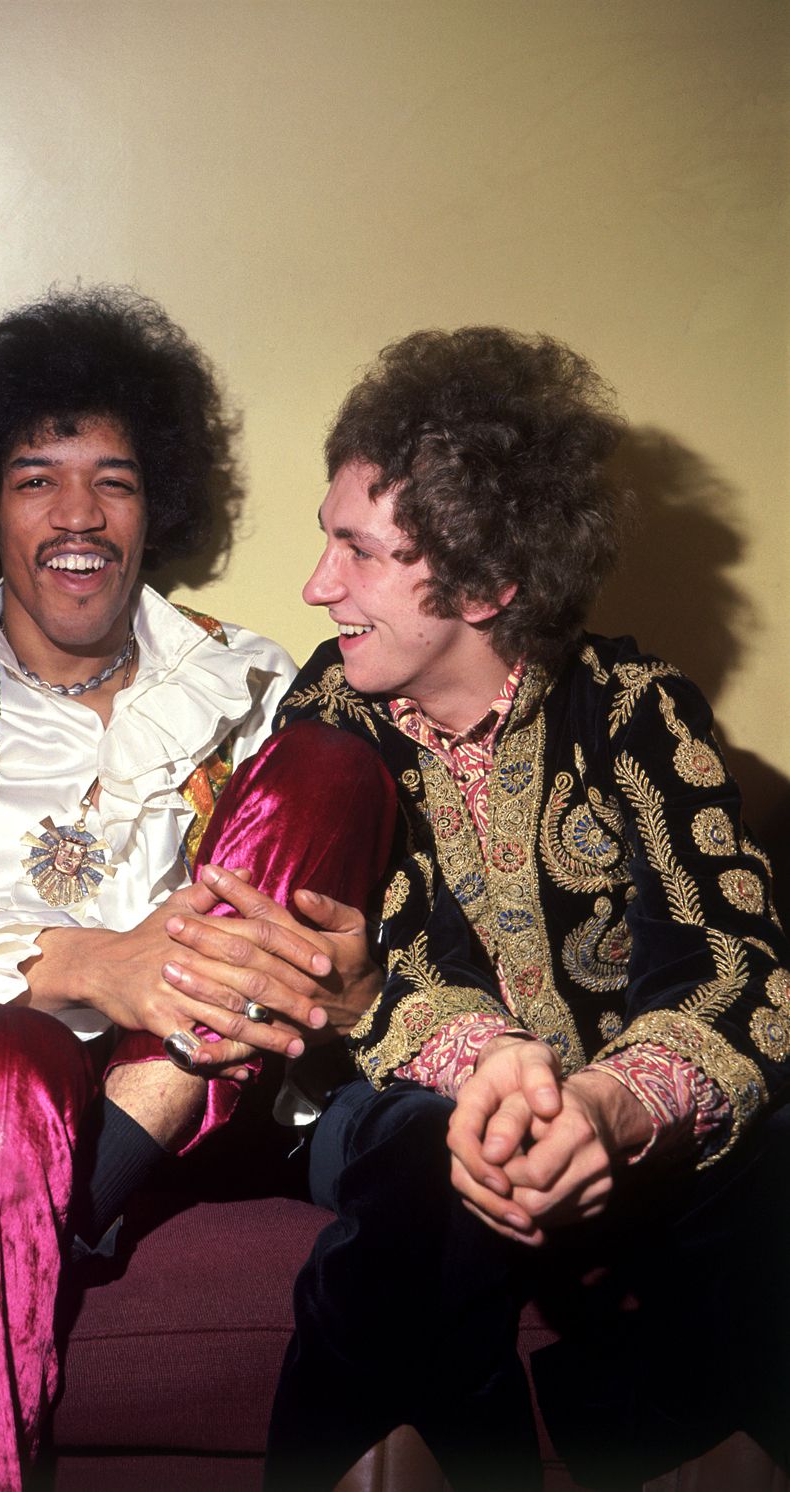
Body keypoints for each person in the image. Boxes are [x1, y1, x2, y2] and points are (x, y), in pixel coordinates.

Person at [0, 287, 398, 1491]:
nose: (78, 514)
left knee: (332, 762)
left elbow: (318, 908)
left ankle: (51, 1205)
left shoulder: (249, 678)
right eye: (35, 479)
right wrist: (91, 964)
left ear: (157, 508)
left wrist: (346, 977)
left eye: (115, 480)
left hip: (203, 1102)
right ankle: (49, 1210)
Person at [266, 326, 790, 1489]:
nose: (317, 586)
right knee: (417, 1155)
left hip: (617, 1122)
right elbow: (366, 949)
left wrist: (612, 1106)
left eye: (359, 552)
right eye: (328, 541)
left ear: (487, 584)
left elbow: (738, 963)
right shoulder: (328, 715)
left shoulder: (639, 711)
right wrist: (501, 1081)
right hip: (394, 1107)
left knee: (766, 1158)